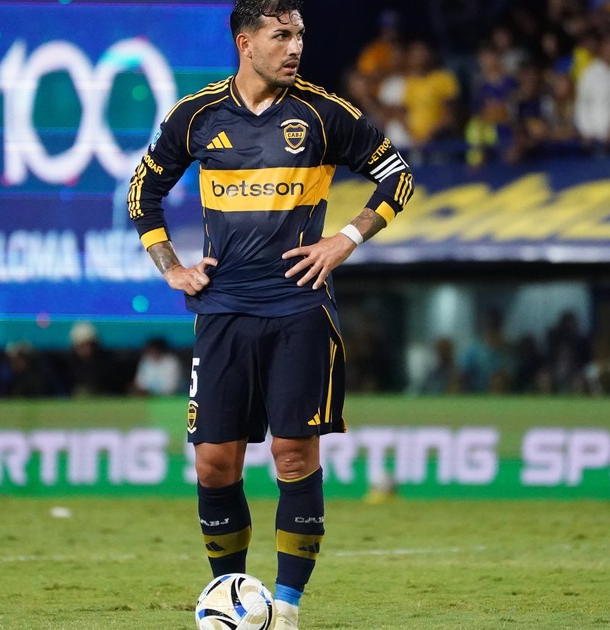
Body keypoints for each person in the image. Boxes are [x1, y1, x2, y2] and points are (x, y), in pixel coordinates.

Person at [124, 2, 414, 628]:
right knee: (214, 462)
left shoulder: (324, 113)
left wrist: (345, 240)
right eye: (282, 35)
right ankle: (229, 596)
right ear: (245, 42)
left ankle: (285, 609)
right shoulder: (197, 115)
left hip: (298, 306)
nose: (296, 47)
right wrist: (170, 266)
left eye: (300, 35)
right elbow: (143, 191)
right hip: (223, 308)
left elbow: (398, 176)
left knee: (292, 454)